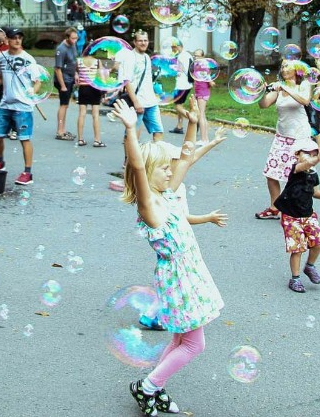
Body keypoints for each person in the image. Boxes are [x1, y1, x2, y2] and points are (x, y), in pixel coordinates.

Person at [115, 102, 224, 417]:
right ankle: (147, 387)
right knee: (194, 345)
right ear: (148, 174)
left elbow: (186, 159)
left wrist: (192, 124)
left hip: (189, 275)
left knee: (180, 339)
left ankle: (155, 387)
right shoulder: (151, 206)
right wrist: (129, 128)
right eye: (163, 168)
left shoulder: (170, 195)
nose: (170, 170)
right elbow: (136, 165)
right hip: (178, 280)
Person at [0, 28, 42, 185]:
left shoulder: (28, 59)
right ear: (8, 40)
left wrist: (33, 91)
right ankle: (0, 162)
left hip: (23, 106)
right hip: (6, 104)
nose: (18, 41)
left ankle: (27, 172)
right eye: (14, 38)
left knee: (24, 139)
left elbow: (37, 81)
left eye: (20, 38)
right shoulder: (2, 57)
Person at [255, 60, 320, 220]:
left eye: (287, 66)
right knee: (271, 173)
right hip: (281, 138)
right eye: (282, 66)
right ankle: (275, 208)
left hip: (300, 137)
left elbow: (305, 100)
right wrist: (263, 91)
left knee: (300, 174)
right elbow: (263, 105)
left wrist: (285, 87)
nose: (284, 68)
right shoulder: (278, 88)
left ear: (296, 70)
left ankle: (303, 208)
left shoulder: (303, 84)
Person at [274, 145, 320, 292]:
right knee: (297, 248)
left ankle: (310, 266)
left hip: (308, 214)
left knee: (318, 242)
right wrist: (317, 159)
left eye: (314, 153)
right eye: (307, 153)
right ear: (297, 154)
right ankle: (295, 279)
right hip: (291, 216)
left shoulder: (313, 174)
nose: (310, 156)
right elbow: (307, 164)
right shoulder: (296, 169)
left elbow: (315, 193)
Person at [120, 29, 164, 142]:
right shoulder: (130, 57)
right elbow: (127, 81)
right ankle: (129, 159)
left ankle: (156, 159)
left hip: (151, 102)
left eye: (145, 40)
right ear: (134, 42)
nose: (143, 43)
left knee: (158, 131)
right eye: (140, 41)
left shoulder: (147, 57)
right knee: (132, 135)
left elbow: (148, 80)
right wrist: (136, 102)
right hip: (138, 102)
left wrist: (156, 94)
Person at [75, 53, 106, 148]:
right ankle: (97, 140)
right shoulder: (97, 61)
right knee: (95, 115)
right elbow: (102, 76)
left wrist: (77, 75)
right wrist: (104, 88)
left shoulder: (79, 61)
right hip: (94, 88)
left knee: (82, 114)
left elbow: (76, 72)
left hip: (83, 89)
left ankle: (80, 139)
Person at [54, 27, 79, 141]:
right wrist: (63, 86)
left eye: (76, 38)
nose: (75, 40)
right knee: (63, 105)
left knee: (66, 105)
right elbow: (57, 69)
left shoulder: (73, 45)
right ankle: (60, 131)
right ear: (67, 37)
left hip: (70, 78)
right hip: (63, 80)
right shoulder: (61, 49)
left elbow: (73, 61)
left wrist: (76, 74)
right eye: (73, 38)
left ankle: (63, 129)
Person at [170, 39, 195, 134]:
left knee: (177, 107)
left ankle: (193, 119)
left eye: (174, 47)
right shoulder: (188, 55)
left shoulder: (181, 56)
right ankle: (179, 126)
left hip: (181, 85)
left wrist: (172, 69)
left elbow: (180, 70)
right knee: (180, 105)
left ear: (179, 46)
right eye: (172, 48)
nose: (173, 49)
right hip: (187, 85)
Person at [191, 49, 214, 145]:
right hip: (199, 91)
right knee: (202, 114)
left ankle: (204, 139)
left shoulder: (203, 65)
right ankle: (205, 138)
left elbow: (208, 78)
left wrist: (211, 81)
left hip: (203, 92)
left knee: (201, 114)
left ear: (203, 56)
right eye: (195, 56)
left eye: (198, 56)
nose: (196, 58)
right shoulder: (197, 65)